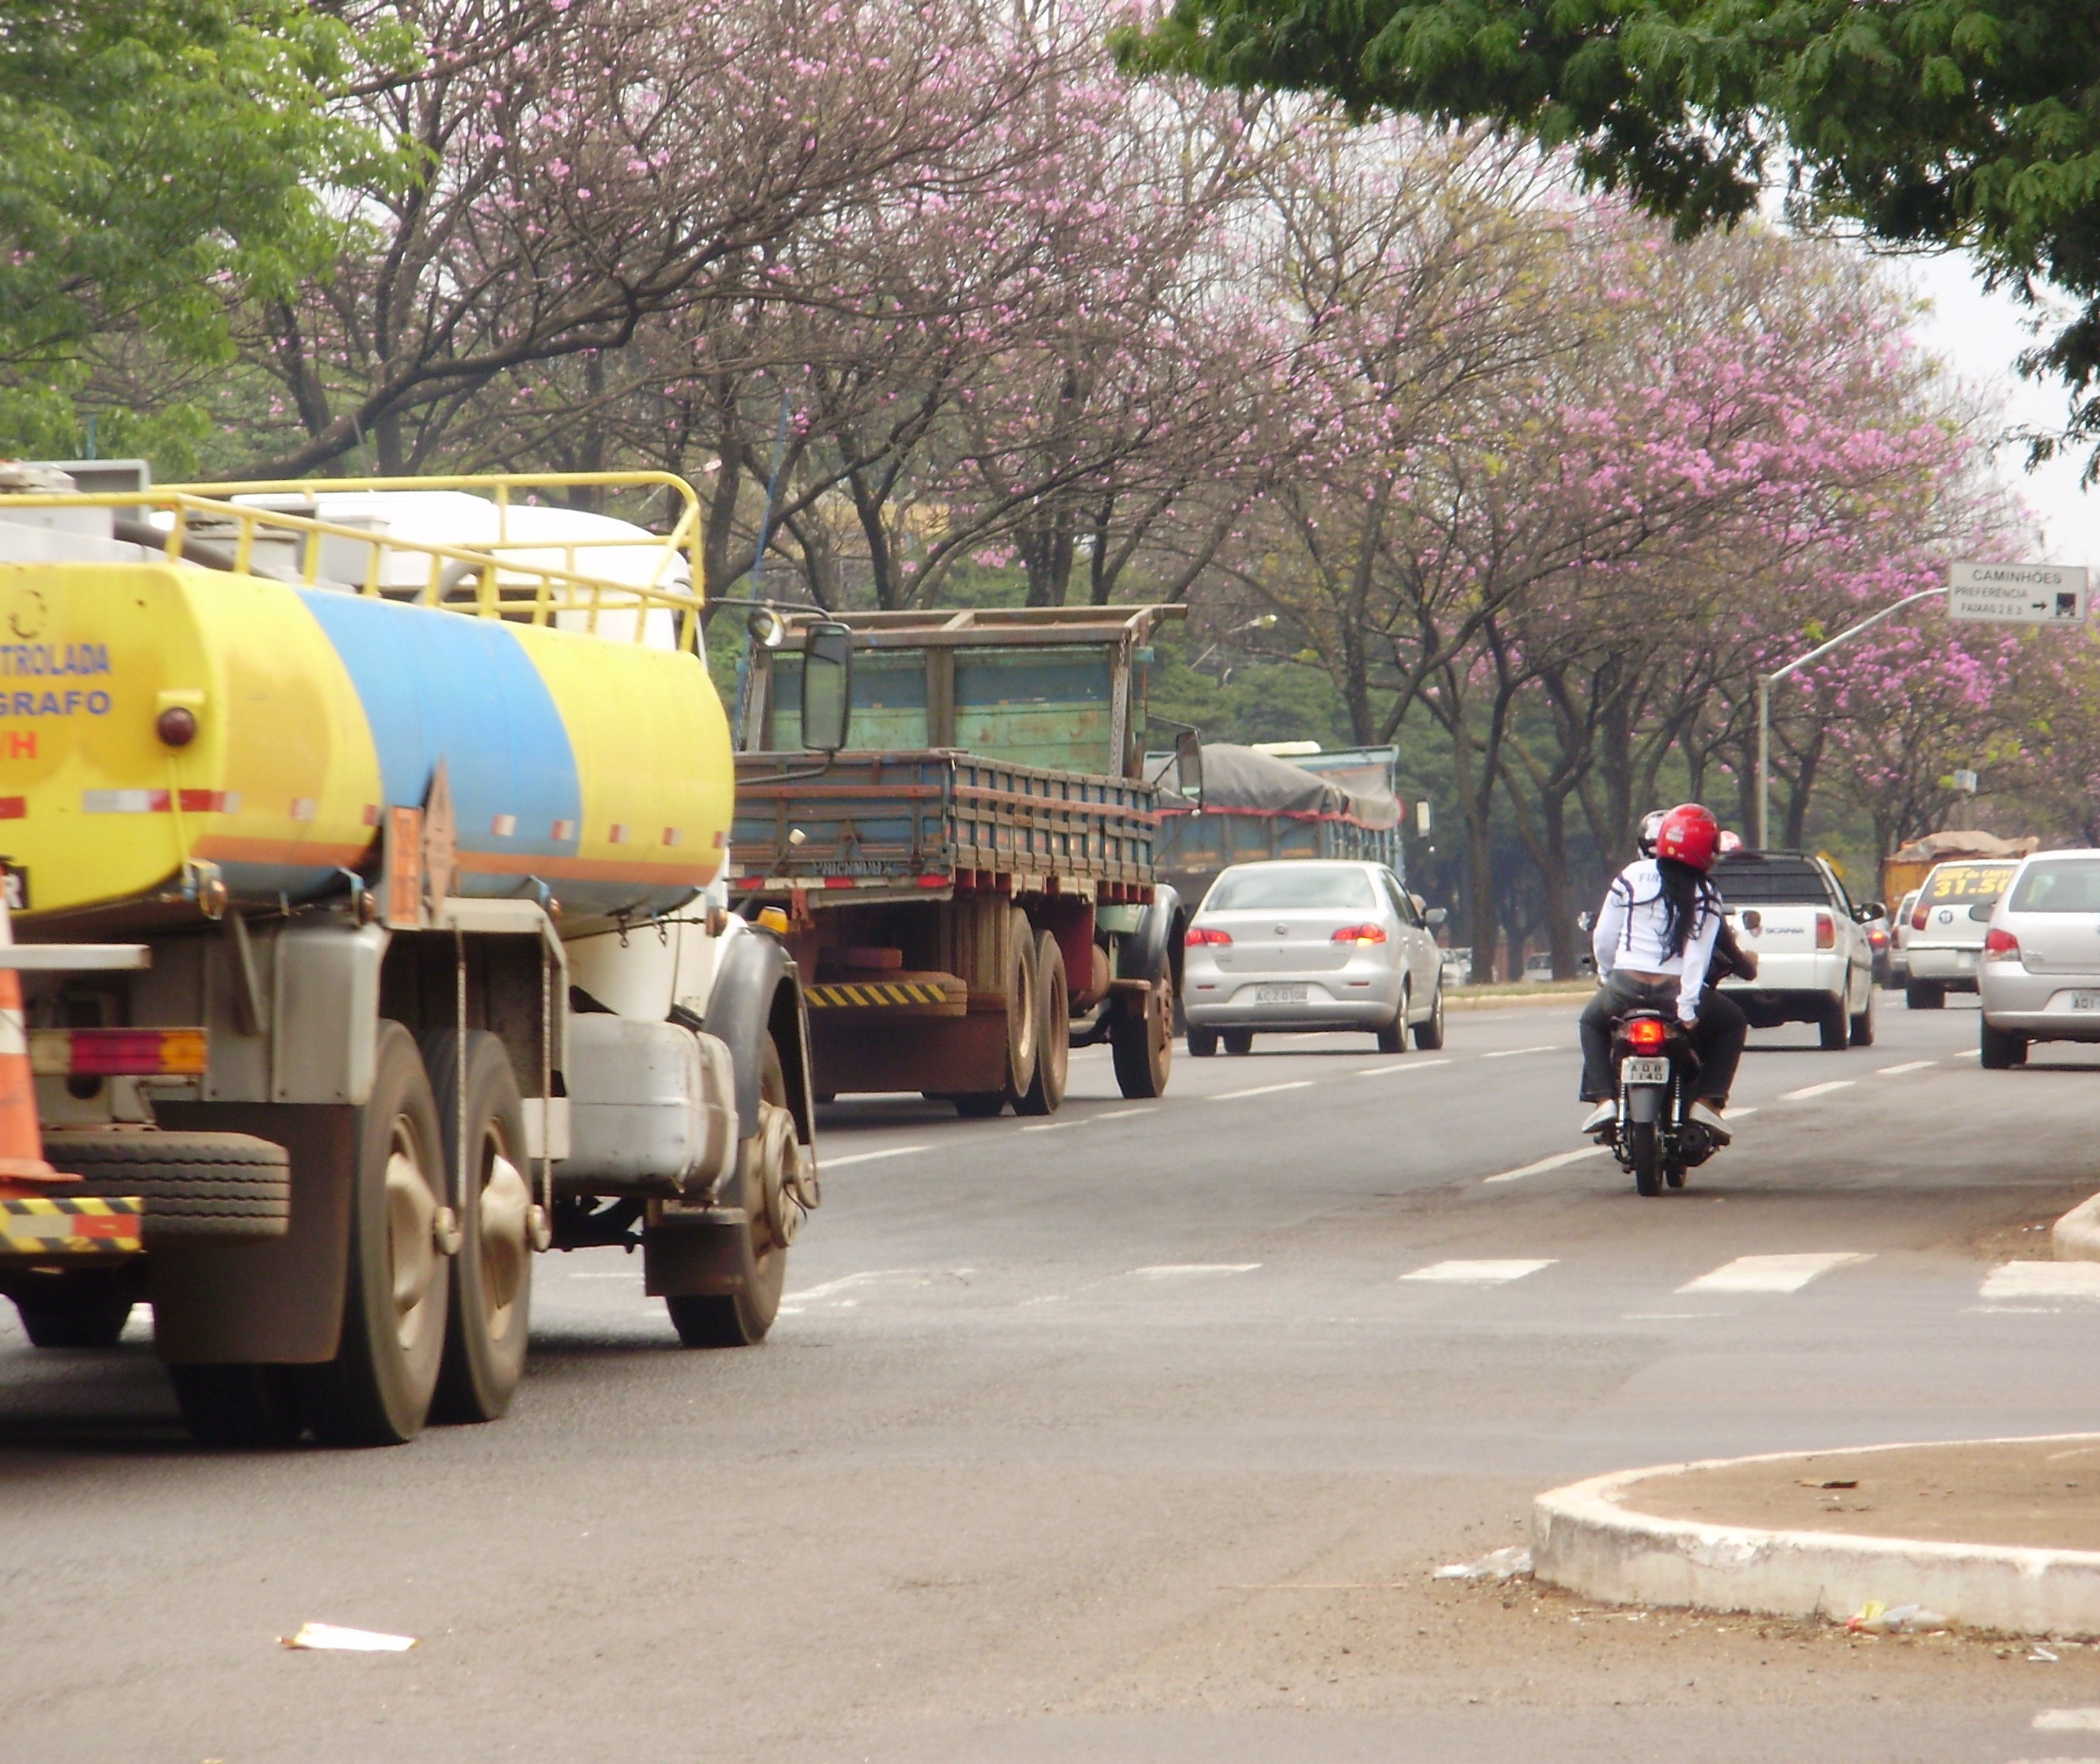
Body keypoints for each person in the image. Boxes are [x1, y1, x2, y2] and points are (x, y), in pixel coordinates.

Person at [1578, 803, 1749, 1138]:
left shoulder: (1629, 877)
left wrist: (1608, 975)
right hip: (1674, 995)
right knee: (1732, 1022)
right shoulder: (1706, 893)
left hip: (1625, 988)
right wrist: (1687, 1009)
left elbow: (1604, 937)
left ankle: (1602, 1101)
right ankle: (1709, 1103)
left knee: (1591, 1022)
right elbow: (1697, 959)